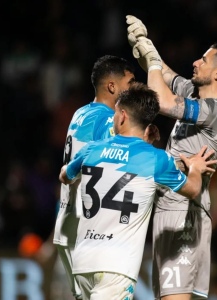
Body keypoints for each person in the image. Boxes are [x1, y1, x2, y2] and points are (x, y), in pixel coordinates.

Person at [58, 82, 217, 300]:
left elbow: (65, 176)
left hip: (83, 262)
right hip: (116, 268)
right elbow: (193, 189)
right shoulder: (156, 159)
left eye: (115, 114)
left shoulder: (92, 149)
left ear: (122, 116)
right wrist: (196, 169)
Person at [126, 15, 217, 299]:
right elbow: (163, 75)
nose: (196, 62)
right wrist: (146, 45)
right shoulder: (195, 92)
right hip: (174, 204)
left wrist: (153, 63)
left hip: (184, 210)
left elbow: (163, 101)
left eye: (204, 60)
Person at [52, 55, 138, 300]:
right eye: (130, 82)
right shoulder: (105, 118)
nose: (133, 88)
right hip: (88, 232)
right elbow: (100, 160)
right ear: (112, 86)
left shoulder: (81, 113)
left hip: (69, 226)